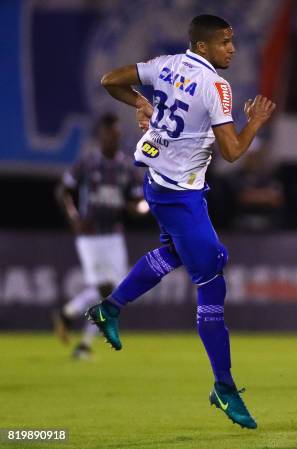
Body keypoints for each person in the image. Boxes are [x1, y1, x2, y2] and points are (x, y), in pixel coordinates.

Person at [85, 14, 275, 429]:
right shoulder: (216, 87)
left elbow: (109, 80)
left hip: (159, 181)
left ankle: (110, 308)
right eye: (226, 42)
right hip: (180, 193)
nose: (232, 49)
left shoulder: (165, 64)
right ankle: (223, 389)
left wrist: (141, 102)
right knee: (212, 281)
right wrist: (255, 123)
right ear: (204, 47)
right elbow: (232, 153)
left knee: (172, 252)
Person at [53, 113, 145, 360]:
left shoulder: (126, 167)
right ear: (100, 136)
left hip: (114, 234)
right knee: (106, 291)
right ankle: (83, 343)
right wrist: (73, 218)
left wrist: (139, 208)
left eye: (115, 134)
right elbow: (63, 190)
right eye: (108, 134)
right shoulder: (87, 163)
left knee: (116, 290)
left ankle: (69, 313)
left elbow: (139, 201)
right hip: (90, 235)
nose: (112, 138)